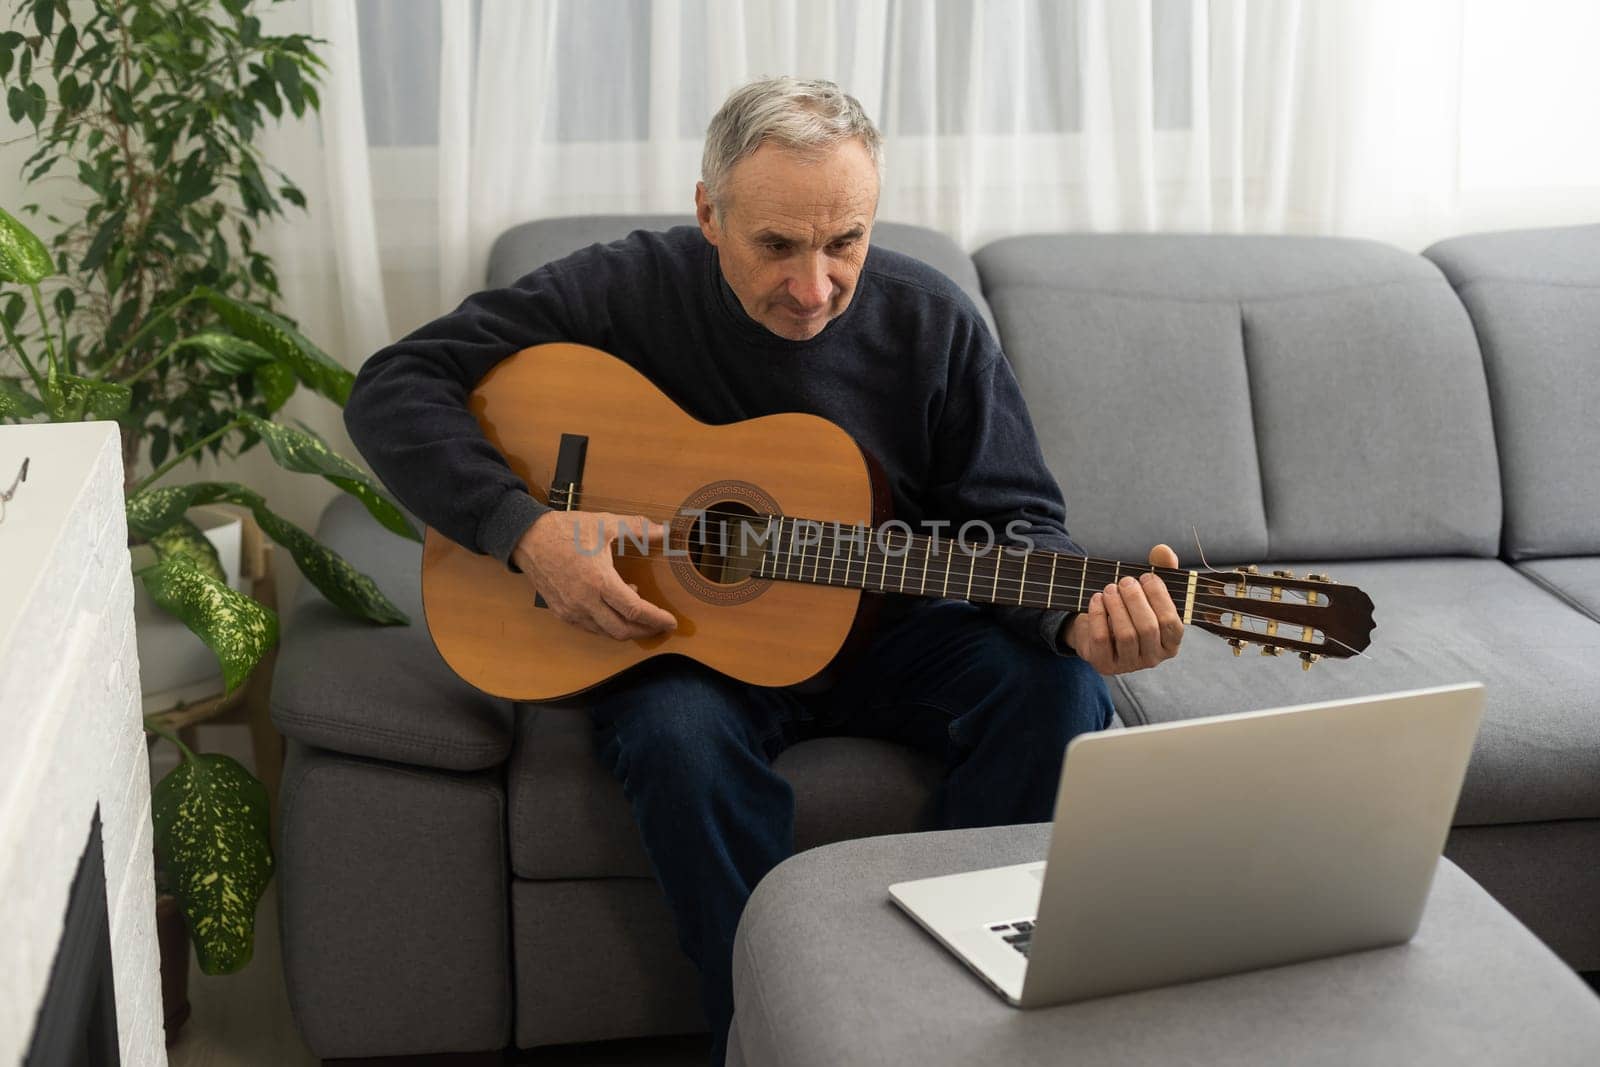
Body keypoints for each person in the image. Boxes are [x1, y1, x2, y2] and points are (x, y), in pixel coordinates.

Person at [345, 76, 1184, 1064]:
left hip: (892, 637)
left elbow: (1017, 521)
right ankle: (773, 1037)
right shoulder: (624, 287)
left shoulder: (932, 322)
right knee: (675, 737)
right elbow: (395, 385)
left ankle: (955, 1016)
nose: (815, 286)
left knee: (1058, 688)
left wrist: (1072, 617)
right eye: (776, 245)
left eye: (846, 244)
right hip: (689, 648)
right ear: (709, 212)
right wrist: (524, 528)